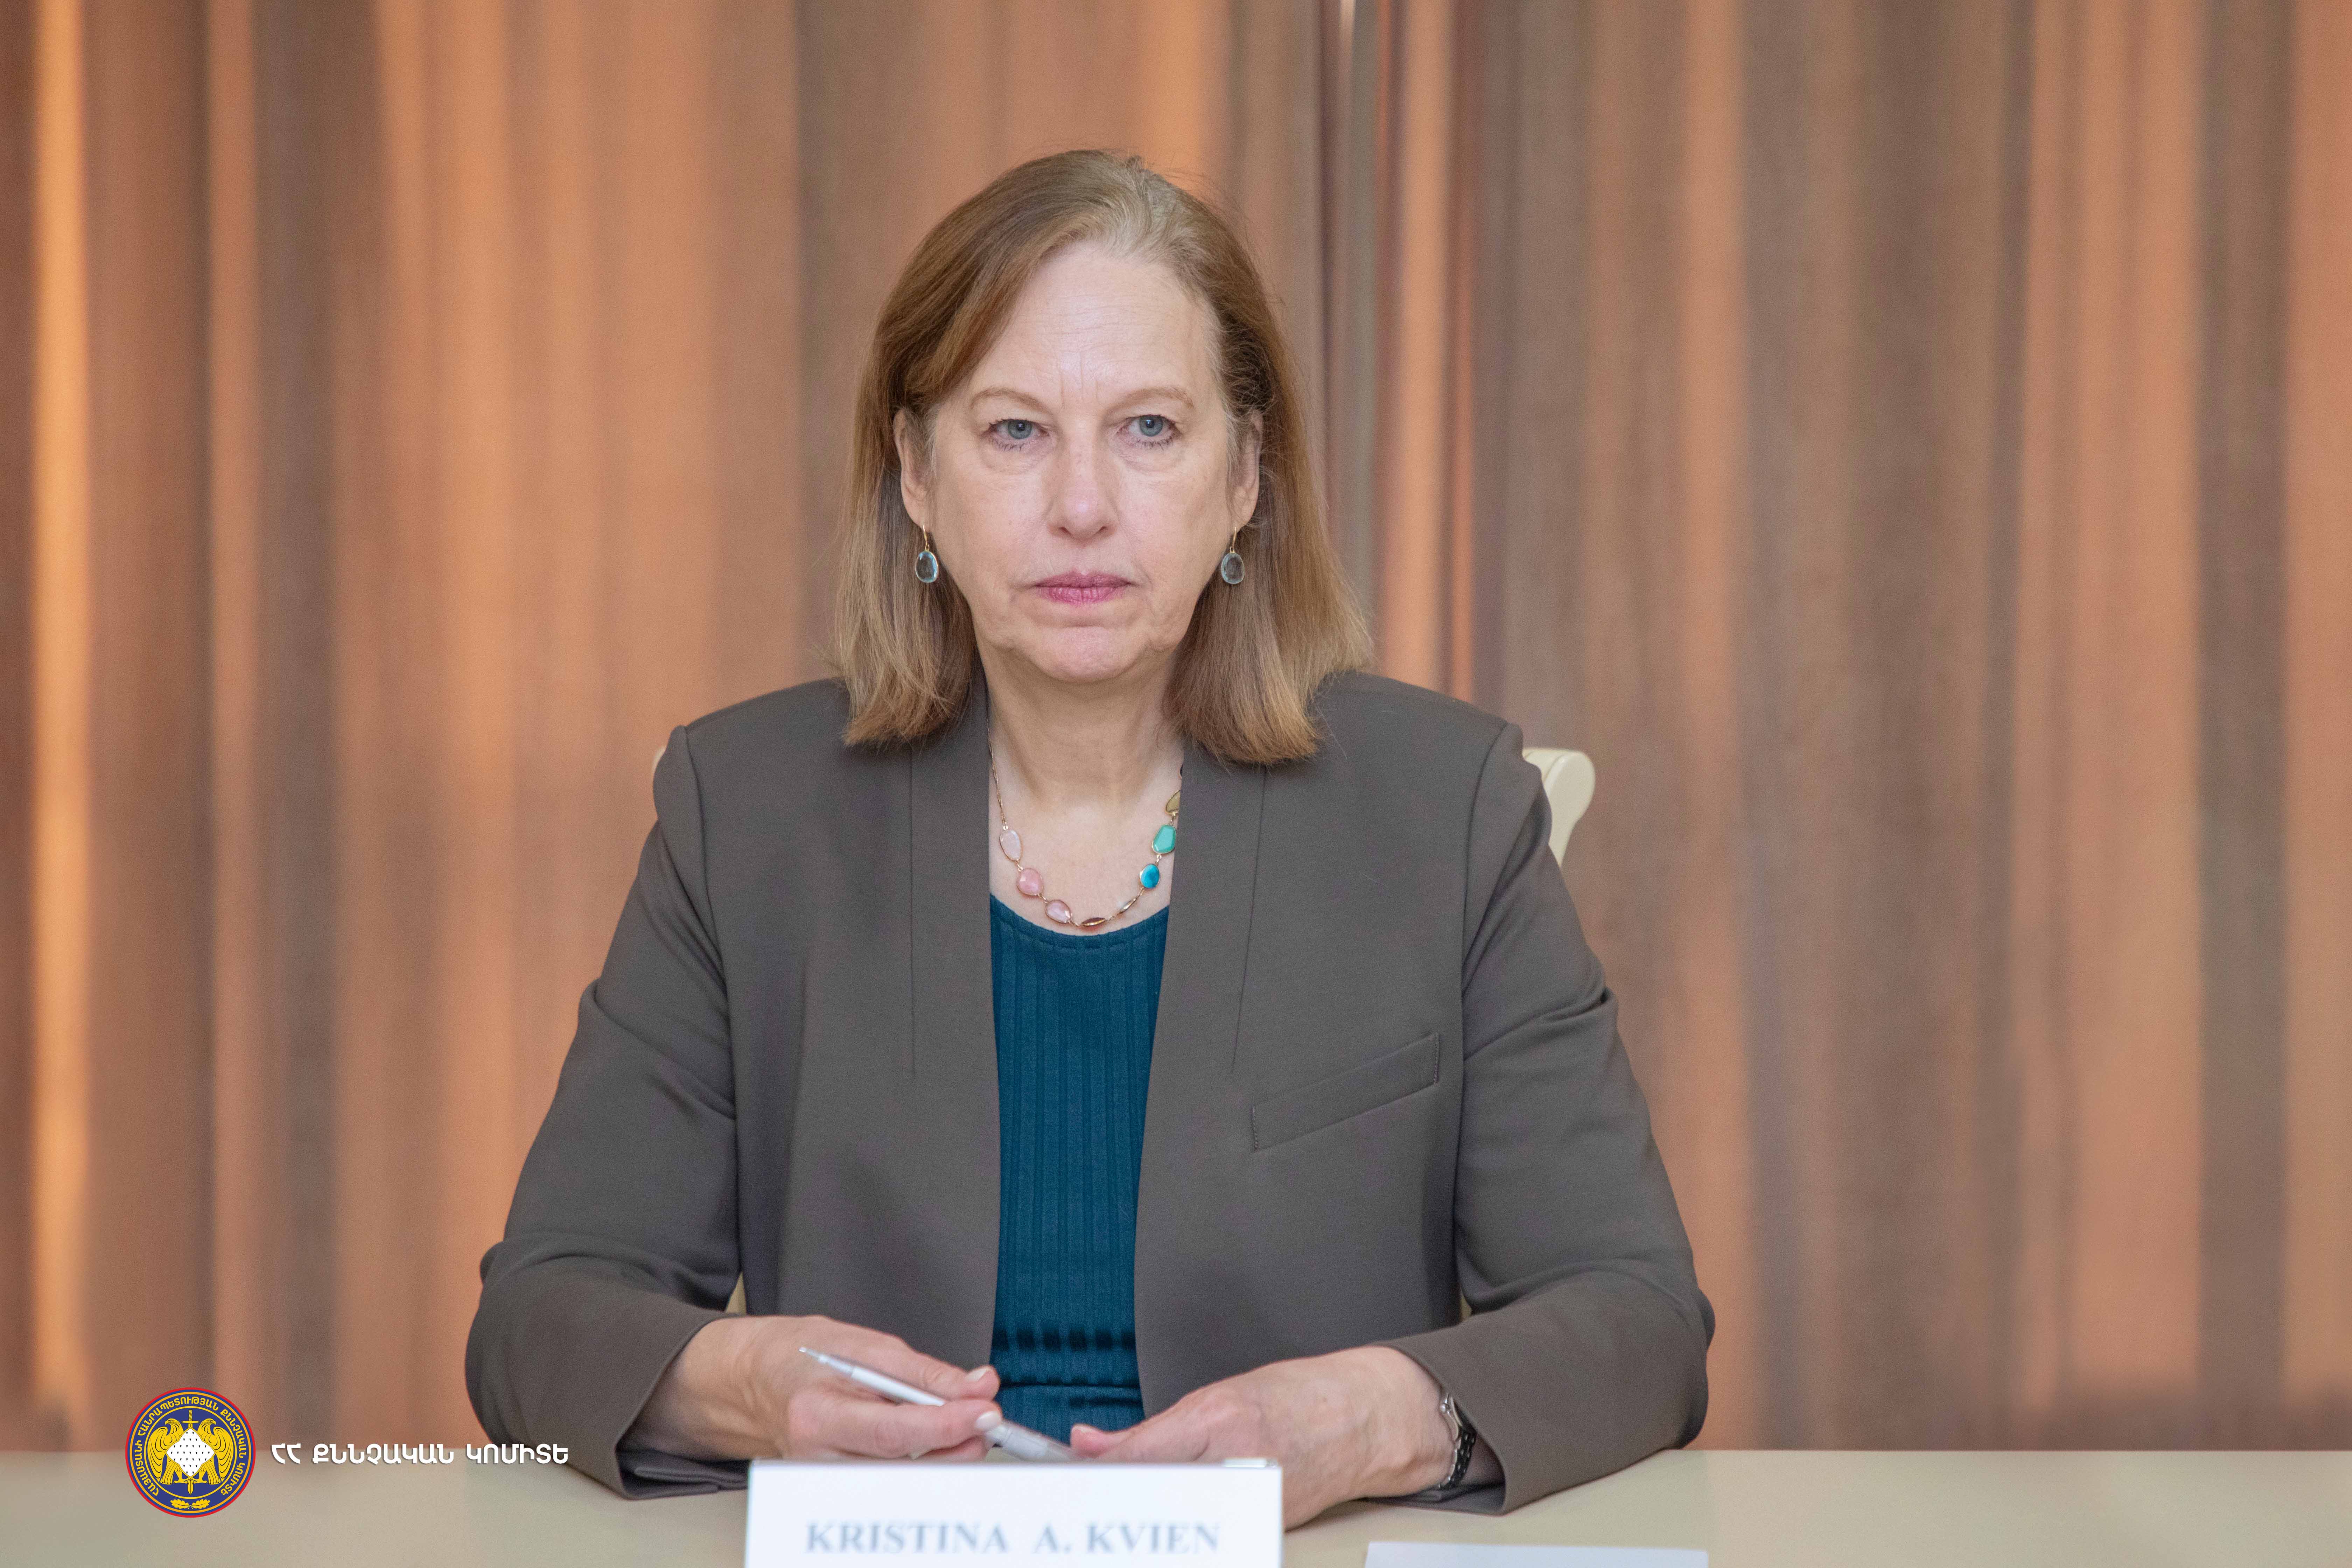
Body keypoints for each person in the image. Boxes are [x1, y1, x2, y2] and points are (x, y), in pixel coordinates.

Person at [466, 149, 1710, 1524]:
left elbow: (1637, 1317)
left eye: (1150, 429)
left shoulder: (1445, 808)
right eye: (1014, 431)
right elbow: (541, 1316)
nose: (1080, 505)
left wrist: (1365, 1422)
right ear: (916, 474)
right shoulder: (745, 811)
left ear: (1247, 475)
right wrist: (750, 1389)